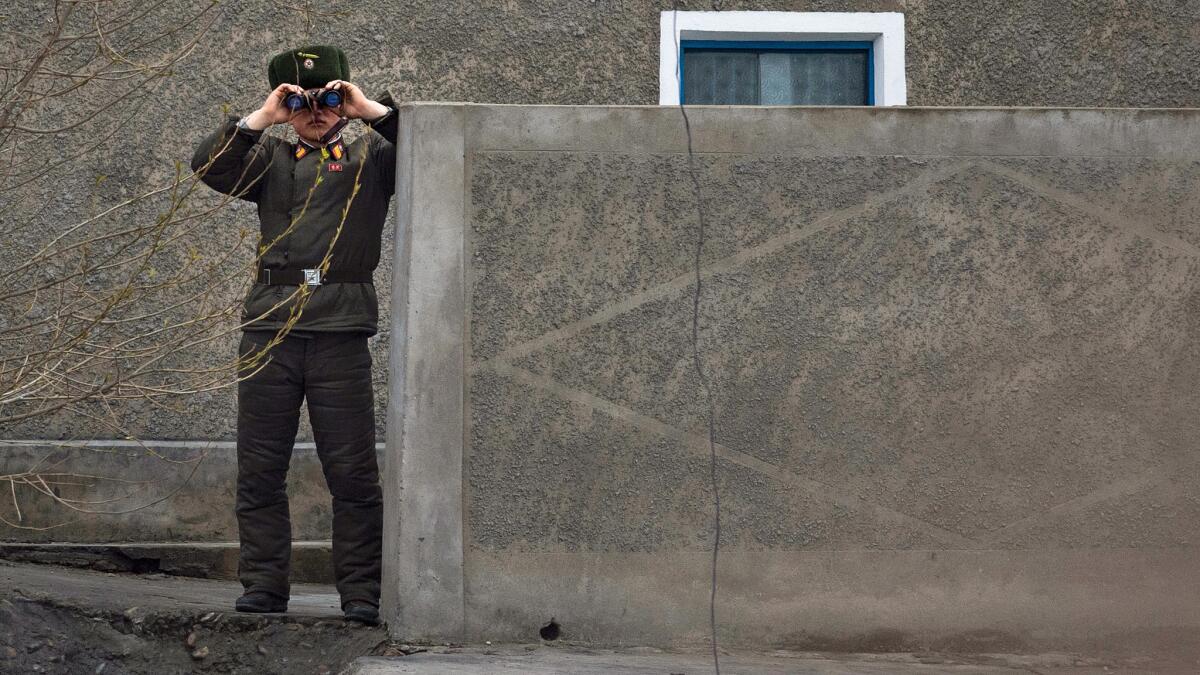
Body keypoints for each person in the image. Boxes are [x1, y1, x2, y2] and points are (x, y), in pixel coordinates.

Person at [190, 45, 396, 625]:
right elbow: (208, 167)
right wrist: (262, 117)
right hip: (269, 331)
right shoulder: (269, 162)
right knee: (260, 468)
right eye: (301, 101)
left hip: (339, 330)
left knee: (352, 472)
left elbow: (424, 150)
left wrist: (366, 109)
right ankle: (264, 587)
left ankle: (360, 593)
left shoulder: (370, 161)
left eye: (328, 99)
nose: (317, 112)